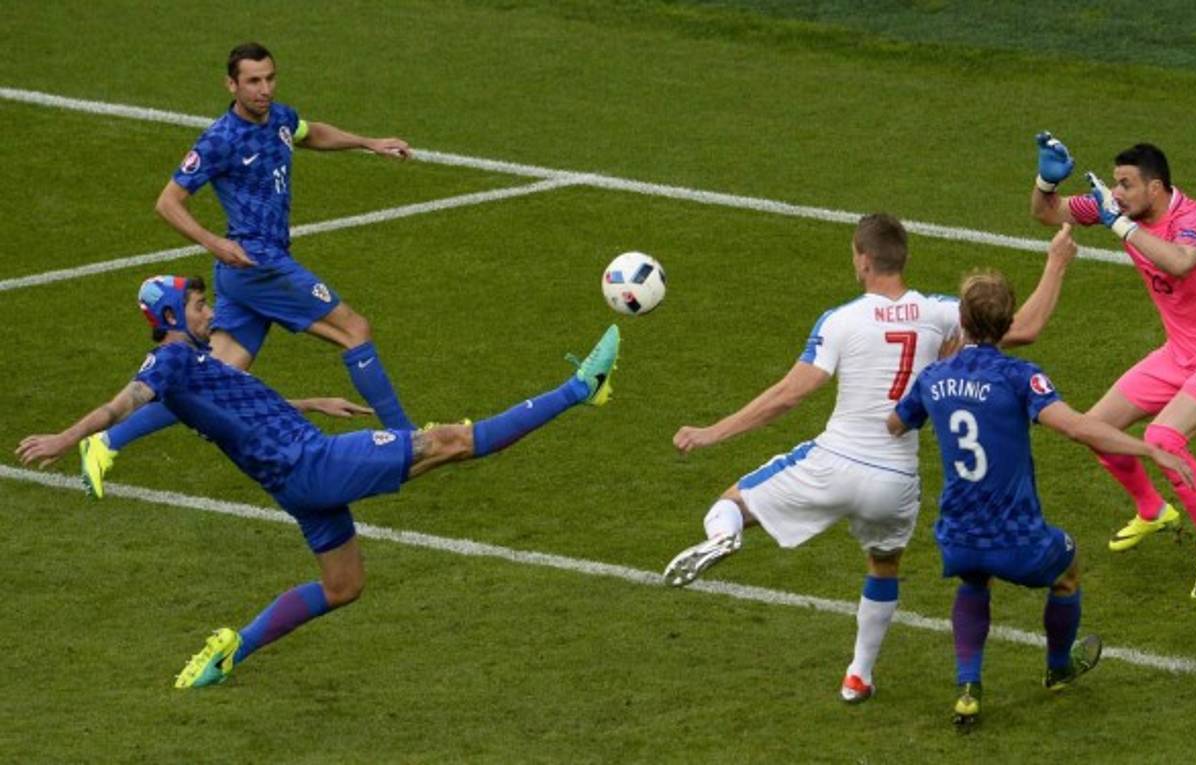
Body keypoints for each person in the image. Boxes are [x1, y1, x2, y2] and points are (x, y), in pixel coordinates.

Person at [18, 275, 620, 688]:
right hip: (312, 466)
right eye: (200, 306)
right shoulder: (171, 362)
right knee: (450, 442)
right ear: (174, 316)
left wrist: (311, 401)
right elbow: (121, 404)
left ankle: (233, 648)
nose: (212, 312)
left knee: (343, 586)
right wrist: (67, 439)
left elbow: (240, 404)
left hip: (298, 478)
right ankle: (580, 390)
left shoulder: (196, 367)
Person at [662, 213, 1077, 704]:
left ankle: (724, 537)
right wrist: (1055, 263)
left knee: (729, 505)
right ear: (902, 257)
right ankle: (857, 675)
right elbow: (1024, 328)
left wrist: (712, 432)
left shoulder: (841, 320)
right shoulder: (941, 311)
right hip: (895, 478)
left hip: (835, 460)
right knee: (883, 563)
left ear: (862, 259)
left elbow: (789, 395)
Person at [78, 42, 416, 500]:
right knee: (355, 329)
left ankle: (104, 443)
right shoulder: (220, 139)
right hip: (258, 264)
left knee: (207, 382)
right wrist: (216, 242)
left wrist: (368, 143)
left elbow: (309, 132)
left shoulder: (278, 117)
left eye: (270, 78)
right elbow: (167, 202)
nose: (264, 90)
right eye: (253, 82)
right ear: (231, 84)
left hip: (249, 272)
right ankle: (407, 440)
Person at [888, 269, 1193, 727]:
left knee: (974, 580)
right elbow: (1076, 427)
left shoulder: (934, 377)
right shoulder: (1019, 377)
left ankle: (968, 687)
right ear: (1009, 323)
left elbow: (895, 424)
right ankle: (1057, 669)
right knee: (1067, 569)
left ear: (962, 322)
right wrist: (1147, 448)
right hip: (1017, 538)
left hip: (956, 533)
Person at [1030, 132, 1196, 599]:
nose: (1115, 192)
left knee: (1162, 437)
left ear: (1154, 189)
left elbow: (1180, 262)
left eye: (1126, 184)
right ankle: (1154, 510)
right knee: (1094, 426)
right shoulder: (1118, 209)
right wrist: (1046, 182)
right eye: (1114, 183)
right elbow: (1045, 213)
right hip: (1180, 352)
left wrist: (1119, 225)